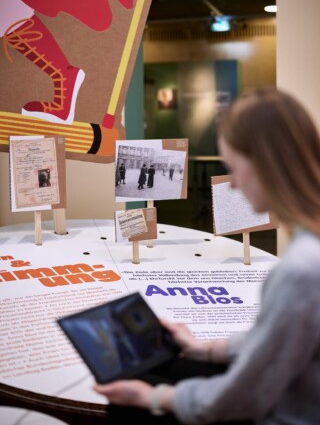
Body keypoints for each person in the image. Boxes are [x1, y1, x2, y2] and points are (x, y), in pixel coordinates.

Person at [94, 88, 320, 424]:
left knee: (132, 398)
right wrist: (206, 348)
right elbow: (279, 342)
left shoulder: (301, 271)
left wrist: (152, 397)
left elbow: (244, 397)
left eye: (234, 167)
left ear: (262, 165)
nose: (233, 185)